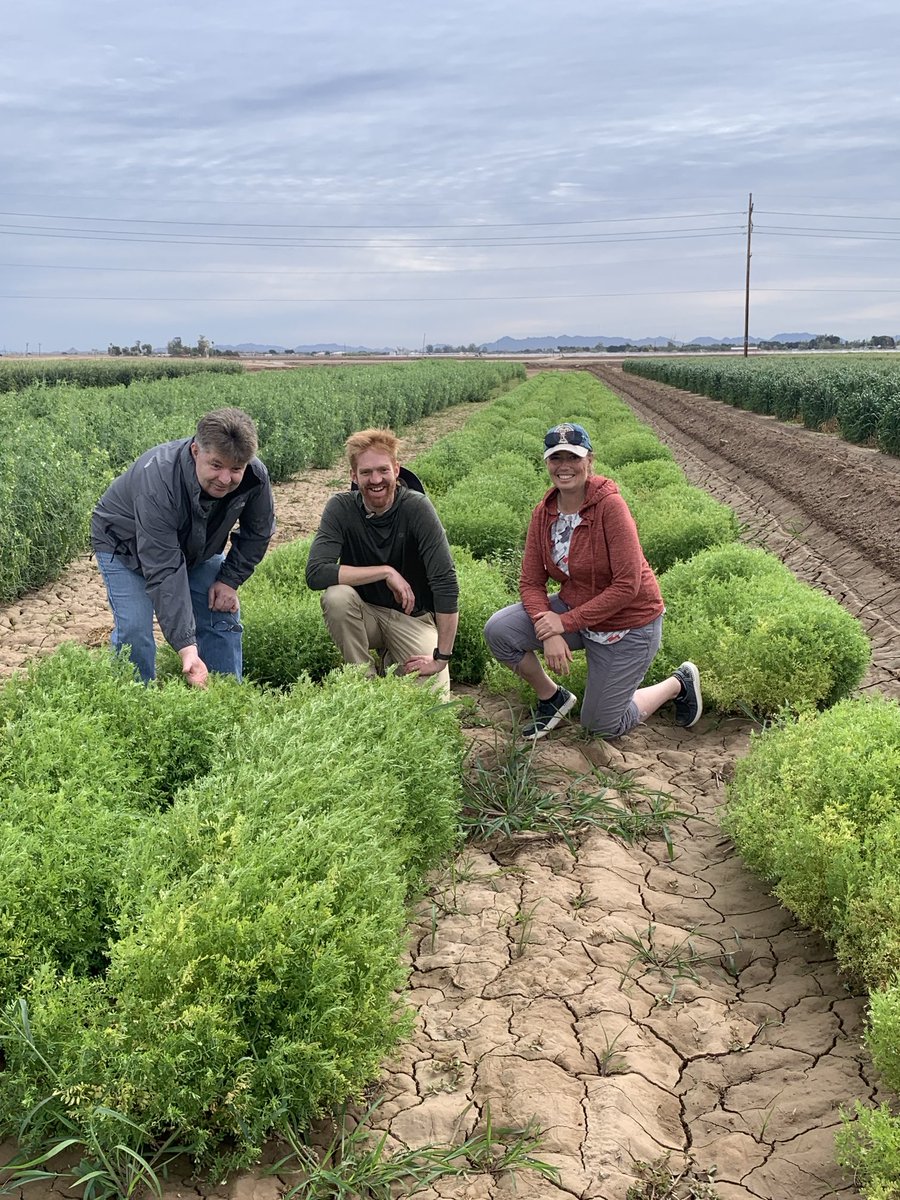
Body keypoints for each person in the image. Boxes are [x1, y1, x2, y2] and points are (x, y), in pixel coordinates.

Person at [483, 422, 702, 740]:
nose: (564, 466)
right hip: (578, 613)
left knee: (600, 726)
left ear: (588, 461)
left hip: (628, 625)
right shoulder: (543, 514)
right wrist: (548, 628)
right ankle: (553, 697)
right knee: (499, 632)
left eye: (572, 457)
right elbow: (531, 582)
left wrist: (564, 622)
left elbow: (628, 585)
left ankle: (677, 683)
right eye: (556, 458)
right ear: (546, 463)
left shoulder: (610, 507)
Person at [91, 407, 275, 687]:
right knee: (135, 630)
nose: (226, 479)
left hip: (196, 548)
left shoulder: (255, 476)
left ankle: (224, 699)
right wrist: (187, 648)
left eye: (236, 469)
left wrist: (229, 580)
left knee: (221, 611)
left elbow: (258, 531)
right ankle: (135, 705)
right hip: (124, 546)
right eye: (216, 465)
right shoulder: (158, 479)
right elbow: (164, 567)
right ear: (195, 451)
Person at [305, 428, 458, 698]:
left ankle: (393, 662)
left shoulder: (416, 508)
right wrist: (386, 572)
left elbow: (445, 582)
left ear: (396, 470)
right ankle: (364, 685)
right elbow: (316, 573)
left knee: (431, 703)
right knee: (336, 597)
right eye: (366, 473)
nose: (375, 480)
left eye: (383, 470)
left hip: (414, 619)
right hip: (366, 616)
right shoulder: (341, 508)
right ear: (354, 476)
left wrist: (441, 658)